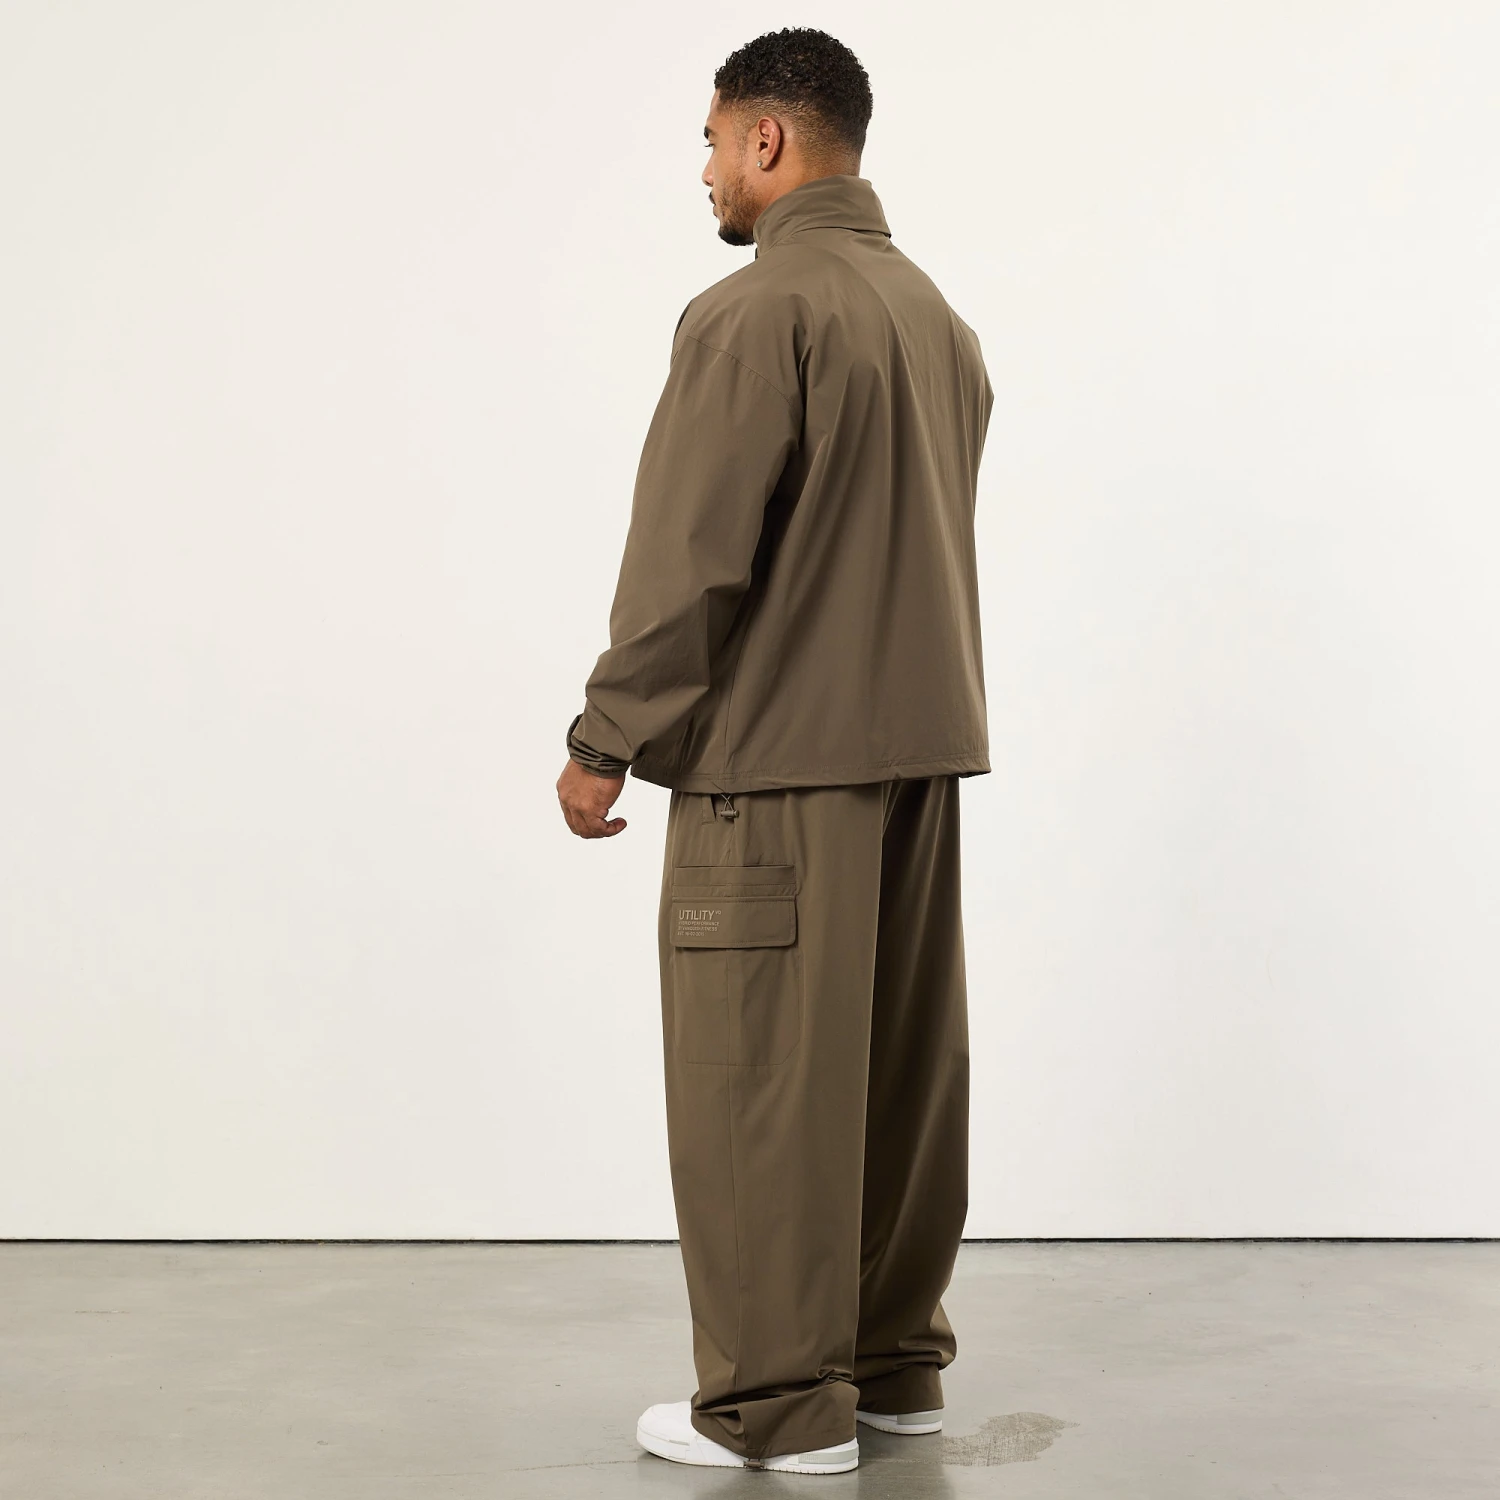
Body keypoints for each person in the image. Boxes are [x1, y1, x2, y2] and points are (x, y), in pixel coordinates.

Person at [556, 26, 994, 1476]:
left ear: (768, 140)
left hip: (777, 773)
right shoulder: (933, 319)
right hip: (917, 765)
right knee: (894, 1077)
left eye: (710, 141)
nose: (702, 170)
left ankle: (774, 1409)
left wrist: (607, 735)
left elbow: (690, 561)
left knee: (756, 1086)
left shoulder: (754, 315)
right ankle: (891, 1370)